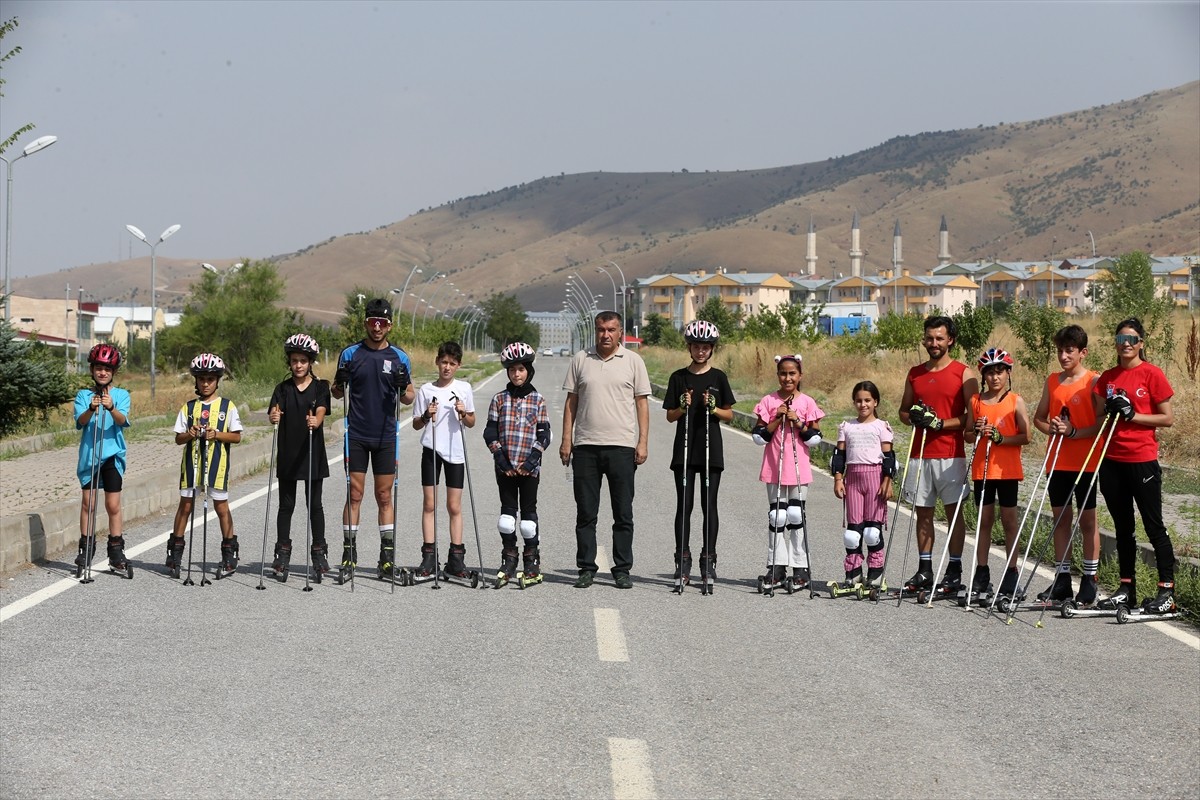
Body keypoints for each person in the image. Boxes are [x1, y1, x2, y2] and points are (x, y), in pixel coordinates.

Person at [560, 311, 650, 590]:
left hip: (622, 448)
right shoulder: (581, 359)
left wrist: (642, 441)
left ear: (620, 332)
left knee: (623, 513)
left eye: (611, 330)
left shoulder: (633, 361)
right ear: (595, 331)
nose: (606, 335)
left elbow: (642, 404)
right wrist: (566, 440)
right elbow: (571, 402)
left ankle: (621, 569)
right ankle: (586, 568)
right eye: (601, 330)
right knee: (586, 513)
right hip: (586, 447)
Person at [1094, 318, 1177, 614]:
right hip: (1112, 460)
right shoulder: (1108, 377)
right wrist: (1108, 409)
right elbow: (1099, 416)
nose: (1125, 344)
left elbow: (1166, 418)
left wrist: (1133, 414)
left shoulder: (1152, 374)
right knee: (1123, 528)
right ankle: (1126, 588)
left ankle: (1166, 591)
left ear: (1141, 343)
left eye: (1131, 339)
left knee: (1154, 527)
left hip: (1142, 460)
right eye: (1120, 339)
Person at [332, 298, 414, 580]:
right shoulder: (350, 354)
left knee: (383, 496)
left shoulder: (399, 358)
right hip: (356, 433)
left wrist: (402, 385)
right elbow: (336, 393)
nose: (377, 327)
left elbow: (408, 397)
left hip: (386, 436)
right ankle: (349, 556)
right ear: (366, 323)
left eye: (382, 323)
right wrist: (339, 381)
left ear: (390, 325)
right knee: (354, 495)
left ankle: (387, 558)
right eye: (372, 322)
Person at [897, 315, 978, 595]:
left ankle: (954, 570)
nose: (934, 343)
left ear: (950, 340)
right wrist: (915, 418)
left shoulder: (964, 374)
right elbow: (903, 411)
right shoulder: (915, 373)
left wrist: (941, 423)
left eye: (939, 338)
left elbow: (973, 415)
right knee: (923, 514)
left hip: (950, 454)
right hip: (919, 454)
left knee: (953, 515)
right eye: (929, 338)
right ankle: (925, 569)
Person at [1032, 324, 1102, 605]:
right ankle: (1061, 580)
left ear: (1083, 353)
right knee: (1061, 520)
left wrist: (1073, 431)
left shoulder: (1094, 382)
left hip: (1085, 461)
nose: (1064, 356)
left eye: (1069, 351)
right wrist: (1050, 428)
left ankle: (1089, 579)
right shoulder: (1052, 381)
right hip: (1057, 460)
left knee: (1087, 521)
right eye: (1060, 351)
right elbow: (1039, 417)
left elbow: (1099, 424)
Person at [663, 320, 734, 588]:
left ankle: (708, 560)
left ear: (712, 349)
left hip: (710, 450)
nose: (700, 351)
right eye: (696, 346)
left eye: (705, 347)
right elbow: (670, 416)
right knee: (685, 505)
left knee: (709, 505)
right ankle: (682, 560)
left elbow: (729, 414)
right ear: (689, 347)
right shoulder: (678, 378)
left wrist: (714, 408)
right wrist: (682, 407)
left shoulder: (719, 378)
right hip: (684, 450)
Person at [166, 353, 244, 576]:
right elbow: (178, 438)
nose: (206, 383)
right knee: (186, 506)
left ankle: (230, 553)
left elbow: (237, 436)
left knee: (221, 508)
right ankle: (175, 552)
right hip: (192, 465)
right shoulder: (188, 408)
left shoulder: (227, 407)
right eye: (202, 379)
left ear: (218, 380)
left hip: (217, 466)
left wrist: (217, 434)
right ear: (196, 381)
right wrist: (189, 434)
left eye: (210, 379)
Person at [752, 354, 824, 592]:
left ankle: (800, 568)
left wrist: (797, 422)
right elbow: (758, 437)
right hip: (774, 468)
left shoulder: (807, 403)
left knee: (795, 516)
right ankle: (777, 566)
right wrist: (777, 418)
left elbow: (815, 438)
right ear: (778, 375)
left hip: (798, 469)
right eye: (783, 373)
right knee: (777, 518)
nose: (787, 378)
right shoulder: (769, 401)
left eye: (792, 373)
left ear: (800, 375)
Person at [963, 347, 1031, 601]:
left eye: (1000, 371)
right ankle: (982, 573)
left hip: (1007, 471)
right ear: (983, 375)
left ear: (1008, 373)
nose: (995, 377)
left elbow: (1026, 436)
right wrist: (976, 431)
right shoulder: (976, 402)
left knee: (1010, 522)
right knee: (984, 522)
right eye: (989, 372)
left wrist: (1002, 438)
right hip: (982, 470)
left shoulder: (1016, 401)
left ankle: (1012, 573)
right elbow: (968, 434)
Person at [484, 342, 551, 588]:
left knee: (528, 519)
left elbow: (544, 435)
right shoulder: (499, 399)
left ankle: (532, 561)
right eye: (512, 370)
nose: (516, 374)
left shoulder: (538, 400)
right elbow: (490, 433)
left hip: (529, 469)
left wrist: (531, 460)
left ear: (529, 371)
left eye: (521, 369)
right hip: (505, 467)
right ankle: (509, 557)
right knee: (506, 518)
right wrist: (502, 459)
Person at [267, 334, 332, 578]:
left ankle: (319, 553)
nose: (298, 365)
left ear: (310, 362)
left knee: (314, 505)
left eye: (303, 360)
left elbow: (322, 408)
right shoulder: (282, 389)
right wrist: (274, 416)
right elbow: (274, 411)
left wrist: (317, 419)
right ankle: (282, 553)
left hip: (312, 453)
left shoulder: (320, 387)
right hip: (288, 454)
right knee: (286, 506)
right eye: (294, 360)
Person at [412, 341, 476, 580]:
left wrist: (463, 412)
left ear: (458, 365)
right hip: (431, 450)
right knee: (429, 504)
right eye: (443, 362)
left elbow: (471, 422)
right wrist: (426, 415)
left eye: (452, 363)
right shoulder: (426, 390)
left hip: (455, 452)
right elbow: (417, 424)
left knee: (454, 506)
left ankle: (456, 558)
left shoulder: (464, 388)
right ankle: (429, 557)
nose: (447, 367)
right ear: (437, 362)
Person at [72, 343, 132, 575]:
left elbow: (122, 420)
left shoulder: (121, 395)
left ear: (113, 372)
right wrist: (90, 407)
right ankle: (86, 549)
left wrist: (111, 407)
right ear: (92, 369)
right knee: (89, 503)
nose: (102, 372)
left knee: (112, 505)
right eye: (98, 368)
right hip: (90, 457)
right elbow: (81, 421)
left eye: (107, 369)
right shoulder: (83, 395)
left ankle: (116, 552)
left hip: (112, 457)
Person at [831, 380, 894, 590]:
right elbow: (839, 455)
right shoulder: (847, 426)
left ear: (875, 401)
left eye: (867, 400)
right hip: (853, 479)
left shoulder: (881, 426)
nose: (863, 404)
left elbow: (888, 456)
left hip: (875, 478)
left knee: (871, 532)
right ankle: (853, 572)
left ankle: (875, 572)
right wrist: (838, 479)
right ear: (853, 402)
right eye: (858, 401)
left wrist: (888, 480)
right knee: (852, 534)